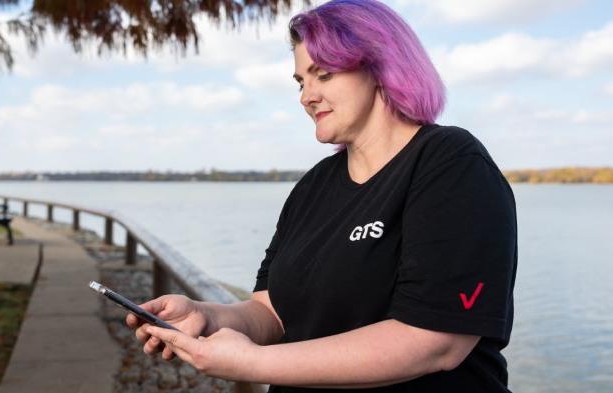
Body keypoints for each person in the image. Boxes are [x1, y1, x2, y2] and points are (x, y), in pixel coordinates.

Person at [127, 0, 518, 391]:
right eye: (301, 82)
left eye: (324, 75)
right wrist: (206, 316)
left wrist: (253, 362)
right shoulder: (313, 186)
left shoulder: (450, 162)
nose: (306, 96)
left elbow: (437, 341)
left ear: (382, 67)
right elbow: (272, 311)